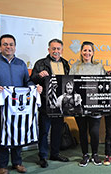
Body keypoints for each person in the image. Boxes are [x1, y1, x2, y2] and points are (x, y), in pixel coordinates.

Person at [0, 34, 42, 174]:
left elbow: (27, 82)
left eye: (11, 44)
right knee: (1, 136)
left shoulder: (21, 64)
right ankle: (3, 166)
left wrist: (34, 87)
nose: (8, 47)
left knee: (18, 134)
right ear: (0, 47)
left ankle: (17, 163)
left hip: (18, 109)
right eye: (5, 44)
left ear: (15, 47)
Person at [30, 39, 70, 168]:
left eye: (58, 49)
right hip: (45, 102)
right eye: (53, 48)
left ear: (62, 50)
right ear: (49, 50)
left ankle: (55, 153)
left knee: (57, 130)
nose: (56, 51)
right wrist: (39, 76)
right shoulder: (40, 63)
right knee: (44, 131)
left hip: (59, 104)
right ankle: (42, 156)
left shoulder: (65, 63)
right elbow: (32, 80)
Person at [69, 41, 106, 167]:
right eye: (85, 50)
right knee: (82, 131)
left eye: (89, 50)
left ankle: (95, 154)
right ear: (81, 52)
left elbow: (104, 84)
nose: (87, 53)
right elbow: (69, 84)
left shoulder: (99, 66)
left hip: (95, 104)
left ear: (93, 53)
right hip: (79, 104)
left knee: (94, 131)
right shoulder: (75, 67)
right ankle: (85, 155)